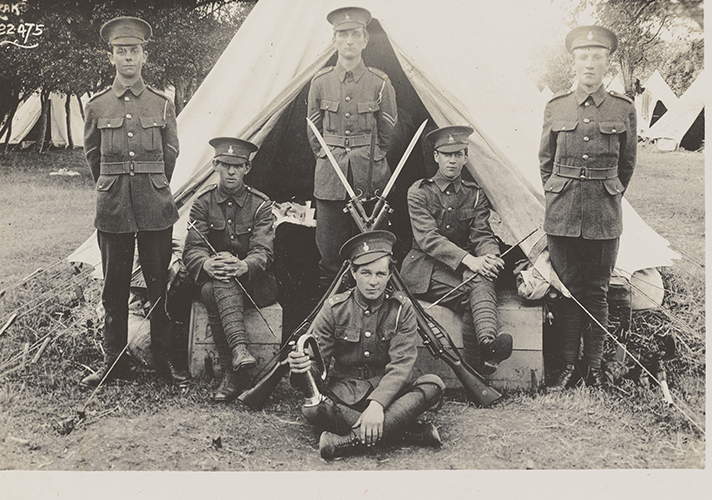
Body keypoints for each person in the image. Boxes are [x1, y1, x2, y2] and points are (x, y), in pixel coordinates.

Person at [81, 16, 190, 388]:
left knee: (160, 284)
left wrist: (155, 185)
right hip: (113, 208)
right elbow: (93, 156)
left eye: (134, 51)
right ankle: (113, 362)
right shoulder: (97, 105)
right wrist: (111, 187)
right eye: (120, 51)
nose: (128, 58)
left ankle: (163, 362)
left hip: (154, 206)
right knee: (114, 288)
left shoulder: (162, 103)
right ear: (110, 56)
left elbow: (171, 152)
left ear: (145, 56)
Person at [288, 231, 445, 460]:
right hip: (345, 394)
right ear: (353, 272)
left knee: (434, 385)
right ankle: (404, 430)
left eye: (381, 273)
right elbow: (316, 368)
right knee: (313, 409)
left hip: (389, 390)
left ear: (390, 274)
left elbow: (401, 365)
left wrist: (377, 405)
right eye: (366, 273)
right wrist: (300, 367)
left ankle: (344, 441)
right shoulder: (334, 308)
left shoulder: (402, 308)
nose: (373, 281)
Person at [539, 26, 637, 390]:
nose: (590, 64)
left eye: (597, 57)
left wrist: (605, 193)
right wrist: (559, 193)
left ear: (607, 62)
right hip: (562, 212)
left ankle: (593, 367)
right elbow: (545, 161)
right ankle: (567, 366)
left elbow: (627, 165)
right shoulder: (556, 106)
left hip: (603, 213)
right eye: (583, 57)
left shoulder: (622, 109)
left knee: (596, 289)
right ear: (574, 62)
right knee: (567, 288)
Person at [401, 126, 512, 375]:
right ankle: (484, 355)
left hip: (462, 268)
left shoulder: (474, 194)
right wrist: (470, 260)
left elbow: (482, 234)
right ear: (436, 156)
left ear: (466, 156)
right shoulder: (419, 192)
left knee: (481, 277)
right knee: (476, 284)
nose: (452, 160)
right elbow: (428, 239)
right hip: (425, 267)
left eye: (458, 154)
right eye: (446, 154)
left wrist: (489, 256)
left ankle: (485, 348)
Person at [306, 6, 399, 291]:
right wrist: (326, 156)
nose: (348, 41)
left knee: (371, 253)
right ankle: (328, 316)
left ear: (365, 40)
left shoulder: (379, 83)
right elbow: (313, 132)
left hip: (369, 177)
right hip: (329, 177)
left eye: (355, 35)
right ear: (334, 40)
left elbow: (389, 133)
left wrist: (371, 158)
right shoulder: (320, 83)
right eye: (342, 35)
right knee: (329, 255)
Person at [183, 137, 277, 402]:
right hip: (216, 279)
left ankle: (231, 374)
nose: (231, 171)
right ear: (215, 165)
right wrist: (207, 264)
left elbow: (264, 252)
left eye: (238, 166)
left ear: (247, 168)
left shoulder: (261, 204)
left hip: (254, 284)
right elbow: (192, 249)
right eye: (225, 165)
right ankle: (239, 354)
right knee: (216, 285)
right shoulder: (203, 202)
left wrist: (243, 265)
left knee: (216, 288)